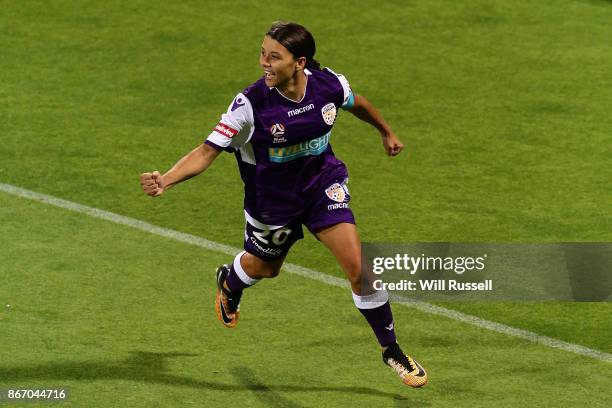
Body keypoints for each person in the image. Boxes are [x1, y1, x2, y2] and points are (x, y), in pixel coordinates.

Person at [140, 21, 427, 388]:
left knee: (359, 269)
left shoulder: (328, 84)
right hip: (271, 204)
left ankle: (391, 350)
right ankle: (231, 282)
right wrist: (166, 178)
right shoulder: (249, 106)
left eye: (274, 57)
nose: (264, 62)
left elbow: (357, 103)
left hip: (322, 187)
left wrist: (386, 131)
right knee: (265, 269)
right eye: (262, 53)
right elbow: (207, 151)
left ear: (299, 62)